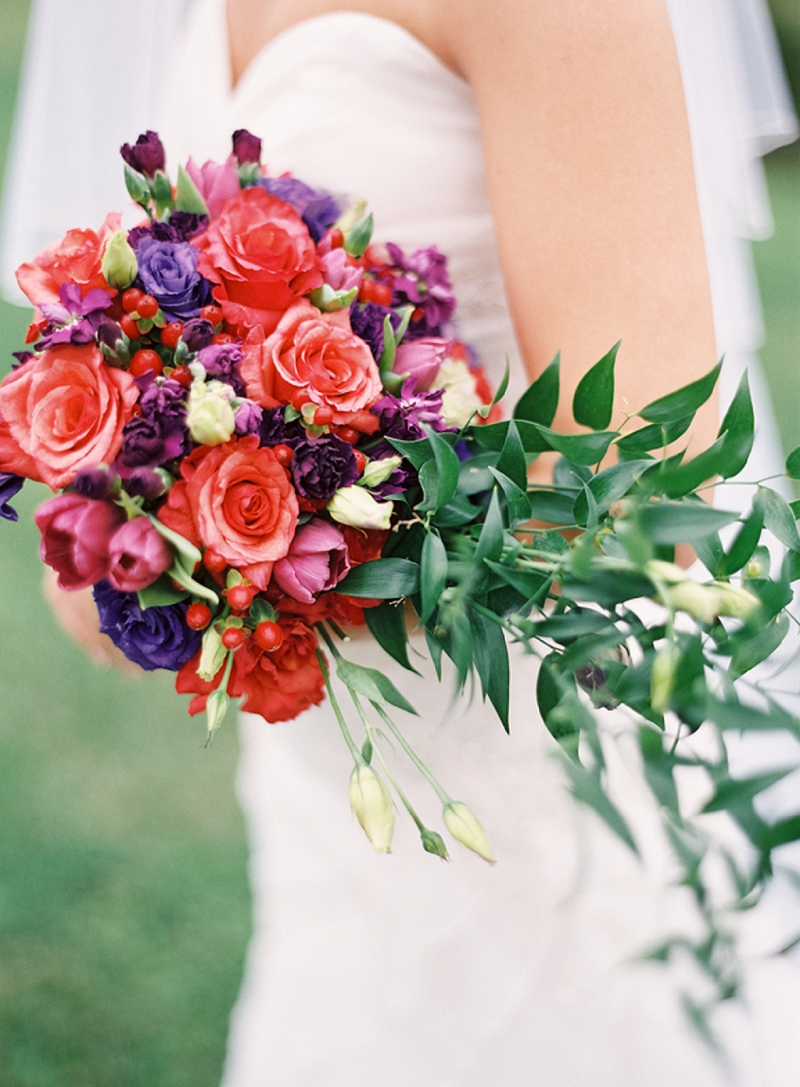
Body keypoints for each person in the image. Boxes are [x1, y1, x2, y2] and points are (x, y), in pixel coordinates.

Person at [2, 0, 799, 1083]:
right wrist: (140, 516)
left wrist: (272, 529)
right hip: (334, 773)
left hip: (550, 717)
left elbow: (649, 491)